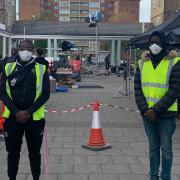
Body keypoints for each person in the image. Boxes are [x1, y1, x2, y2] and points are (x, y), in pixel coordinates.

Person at [1, 39, 50, 180]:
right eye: (23, 48)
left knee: (34, 152)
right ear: (19, 48)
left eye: (29, 49)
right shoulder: (8, 67)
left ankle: (36, 177)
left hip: (34, 119)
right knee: (12, 152)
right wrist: (16, 112)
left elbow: (45, 94)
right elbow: (3, 93)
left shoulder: (41, 68)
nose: (25, 51)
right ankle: (12, 177)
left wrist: (28, 112)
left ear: (33, 51)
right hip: (12, 118)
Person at [134, 31, 180, 180]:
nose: (155, 45)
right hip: (148, 115)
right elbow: (138, 89)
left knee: (166, 150)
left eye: (158, 42)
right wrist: (145, 110)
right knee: (153, 149)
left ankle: (166, 177)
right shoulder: (142, 63)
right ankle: (153, 176)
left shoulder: (174, 62)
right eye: (152, 42)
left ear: (164, 44)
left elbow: (175, 89)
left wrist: (155, 110)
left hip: (166, 115)